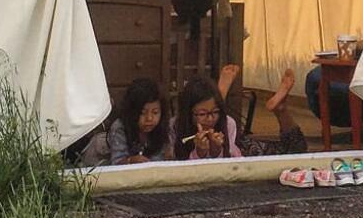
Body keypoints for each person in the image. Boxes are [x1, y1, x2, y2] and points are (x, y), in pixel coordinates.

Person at [172, 67, 308, 160]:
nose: (210, 119)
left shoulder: (227, 123)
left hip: (238, 147)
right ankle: (221, 95)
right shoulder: (175, 127)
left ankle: (281, 109)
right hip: (237, 147)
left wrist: (217, 149)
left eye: (215, 112)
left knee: (297, 150)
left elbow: (231, 165)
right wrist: (200, 152)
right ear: (188, 113)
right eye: (202, 114)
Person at [107, 77, 169, 165]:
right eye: (142, 113)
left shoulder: (162, 127)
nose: (149, 118)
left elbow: (159, 161)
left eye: (155, 112)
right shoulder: (119, 127)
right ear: (131, 112)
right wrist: (130, 161)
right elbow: (116, 163)